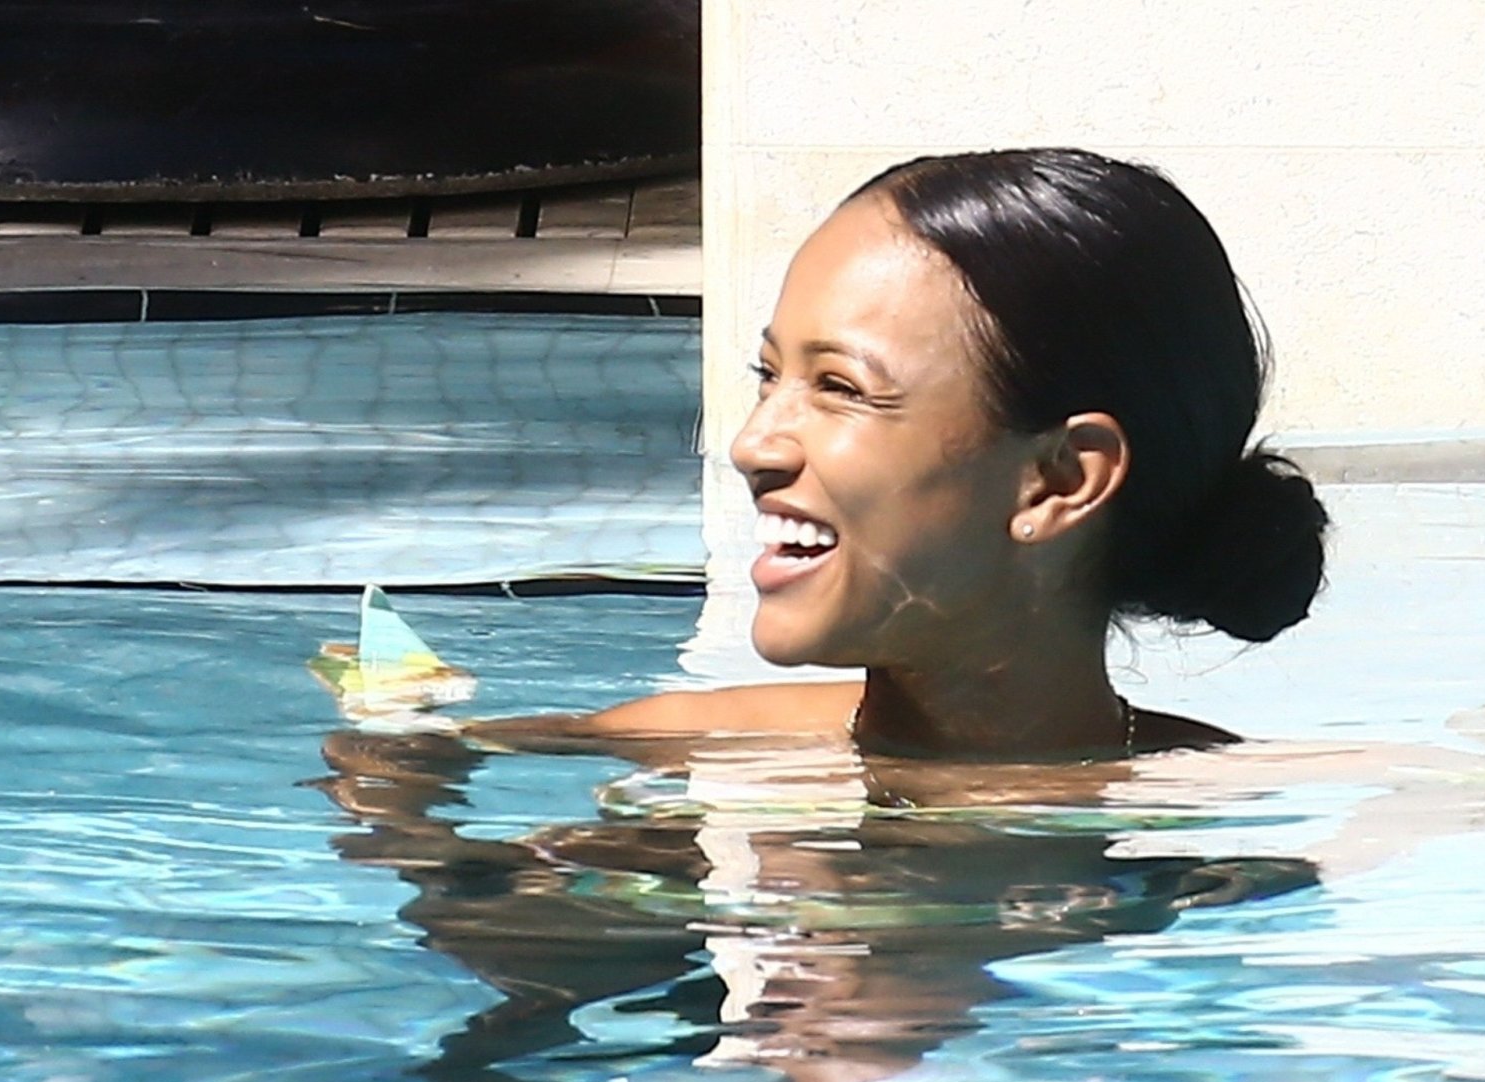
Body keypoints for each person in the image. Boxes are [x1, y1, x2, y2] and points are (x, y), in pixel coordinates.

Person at [470, 147, 1329, 762]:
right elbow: (409, 791)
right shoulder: (660, 752)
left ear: (1059, 480)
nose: (752, 444)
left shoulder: (1240, 829)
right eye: (768, 375)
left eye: (841, 388)